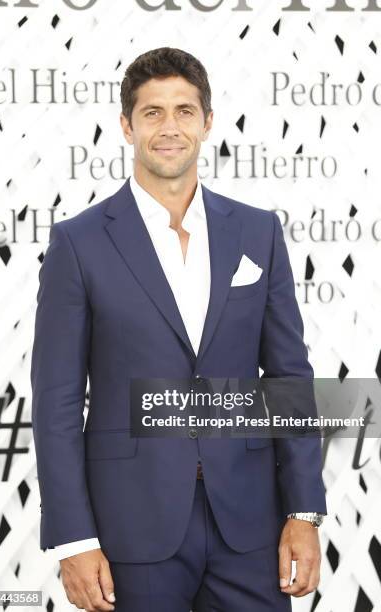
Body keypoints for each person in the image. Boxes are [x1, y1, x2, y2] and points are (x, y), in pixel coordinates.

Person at [31, 46, 327, 612]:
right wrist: (73, 537)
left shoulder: (257, 232)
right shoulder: (79, 242)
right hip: (130, 528)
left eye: (185, 111)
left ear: (207, 122)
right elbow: (57, 402)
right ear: (126, 125)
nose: (170, 128)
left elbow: (288, 376)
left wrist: (303, 510)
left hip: (249, 524)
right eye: (152, 112)